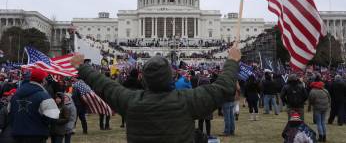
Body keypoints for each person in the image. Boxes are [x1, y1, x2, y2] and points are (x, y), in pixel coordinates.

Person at [70, 45, 241, 143]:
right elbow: (223, 86)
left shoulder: (131, 102)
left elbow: (105, 86)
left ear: (144, 79)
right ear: (171, 77)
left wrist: (82, 67)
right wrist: (232, 61)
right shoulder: (186, 101)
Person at [9, 68, 60, 143]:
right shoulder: (44, 96)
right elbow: (54, 116)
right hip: (37, 135)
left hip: (17, 134)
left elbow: (9, 112)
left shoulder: (15, 95)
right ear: (43, 80)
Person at [308, 76, 331, 142]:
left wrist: (312, 105)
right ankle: (324, 137)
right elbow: (329, 99)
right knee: (323, 122)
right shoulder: (325, 90)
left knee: (319, 122)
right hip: (325, 107)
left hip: (317, 108)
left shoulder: (313, 91)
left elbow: (311, 101)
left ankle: (321, 136)